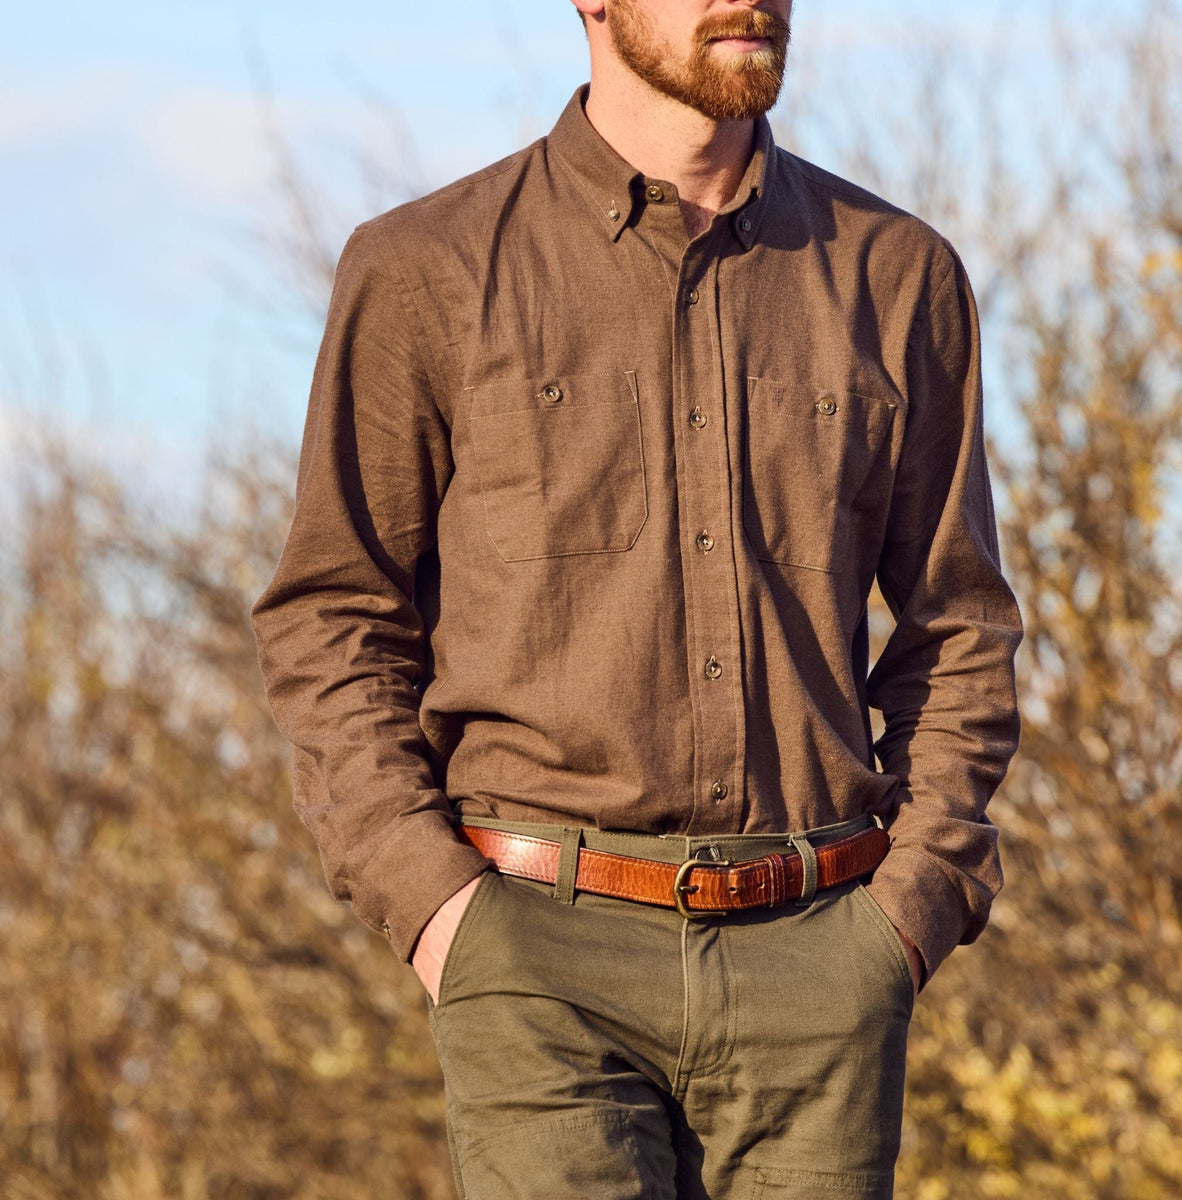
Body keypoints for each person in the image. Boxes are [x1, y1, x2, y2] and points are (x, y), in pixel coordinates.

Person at [249, 0, 1023, 1195]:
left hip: (826, 959)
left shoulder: (899, 275)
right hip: (532, 953)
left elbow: (958, 625)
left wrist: (912, 911)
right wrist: (436, 908)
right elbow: (332, 614)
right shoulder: (425, 269)